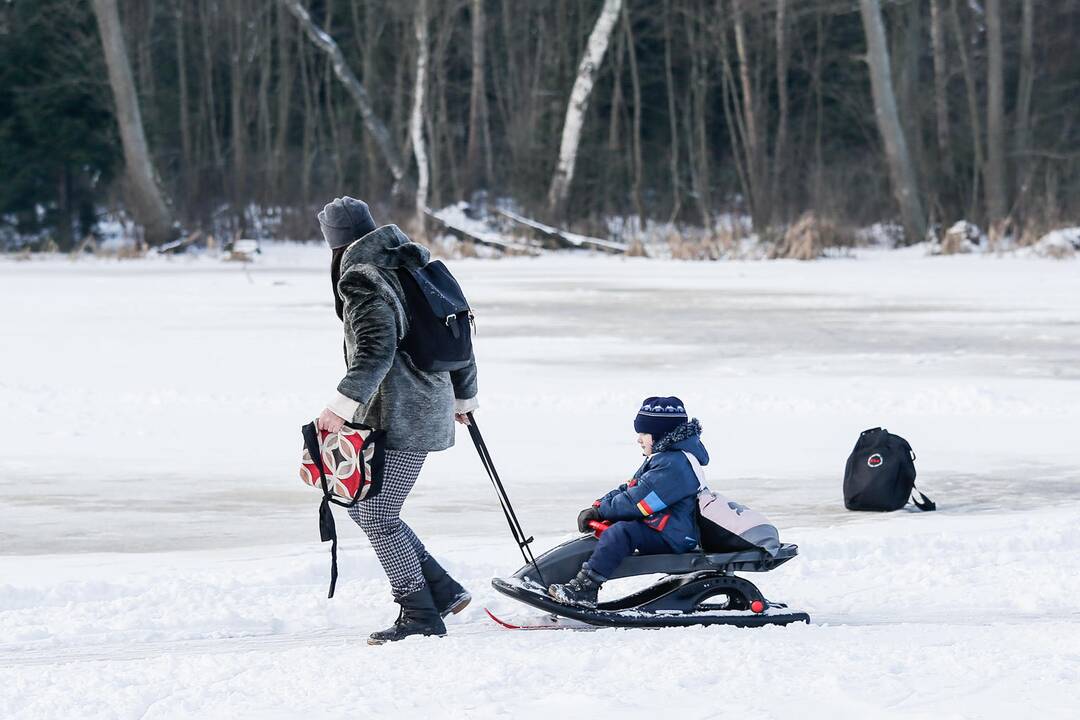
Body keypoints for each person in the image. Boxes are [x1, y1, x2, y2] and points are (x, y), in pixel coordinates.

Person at [316, 196, 479, 644]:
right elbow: (462, 335)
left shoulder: (363, 279)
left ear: (335, 244)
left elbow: (375, 351)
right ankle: (440, 591)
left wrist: (338, 408)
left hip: (402, 414)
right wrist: (463, 396)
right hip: (422, 407)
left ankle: (420, 613)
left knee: (376, 512)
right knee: (365, 507)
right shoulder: (416, 265)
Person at [547, 396, 706, 608]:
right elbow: (630, 488)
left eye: (643, 434)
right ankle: (571, 581)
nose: (639, 440)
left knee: (621, 532)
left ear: (660, 434)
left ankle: (585, 588)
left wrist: (603, 512)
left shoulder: (675, 465)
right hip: (665, 528)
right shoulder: (665, 458)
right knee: (616, 529)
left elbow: (638, 503)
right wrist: (598, 507)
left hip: (675, 535)